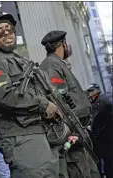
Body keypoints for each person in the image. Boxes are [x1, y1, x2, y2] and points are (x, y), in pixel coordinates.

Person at [0, 10, 62, 178]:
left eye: (9, 28)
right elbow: (4, 95)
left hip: (38, 132)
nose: (6, 33)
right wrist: (43, 104)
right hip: (19, 136)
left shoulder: (20, 60)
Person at [39, 30, 100, 178]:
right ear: (61, 45)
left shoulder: (58, 64)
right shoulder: (51, 66)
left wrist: (86, 97)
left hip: (79, 132)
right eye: (66, 43)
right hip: (72, 134)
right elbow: (60, 100)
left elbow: (68, 96)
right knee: (80, 171)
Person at [87, 84, 113, 178]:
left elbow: (96, 120)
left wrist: (92, 128)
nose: (89, 94)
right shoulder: (96, 101)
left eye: (91, 91)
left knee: (108, 161)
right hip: (103, 138)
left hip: (106, 138)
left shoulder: (102, 101)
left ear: (96, 90)